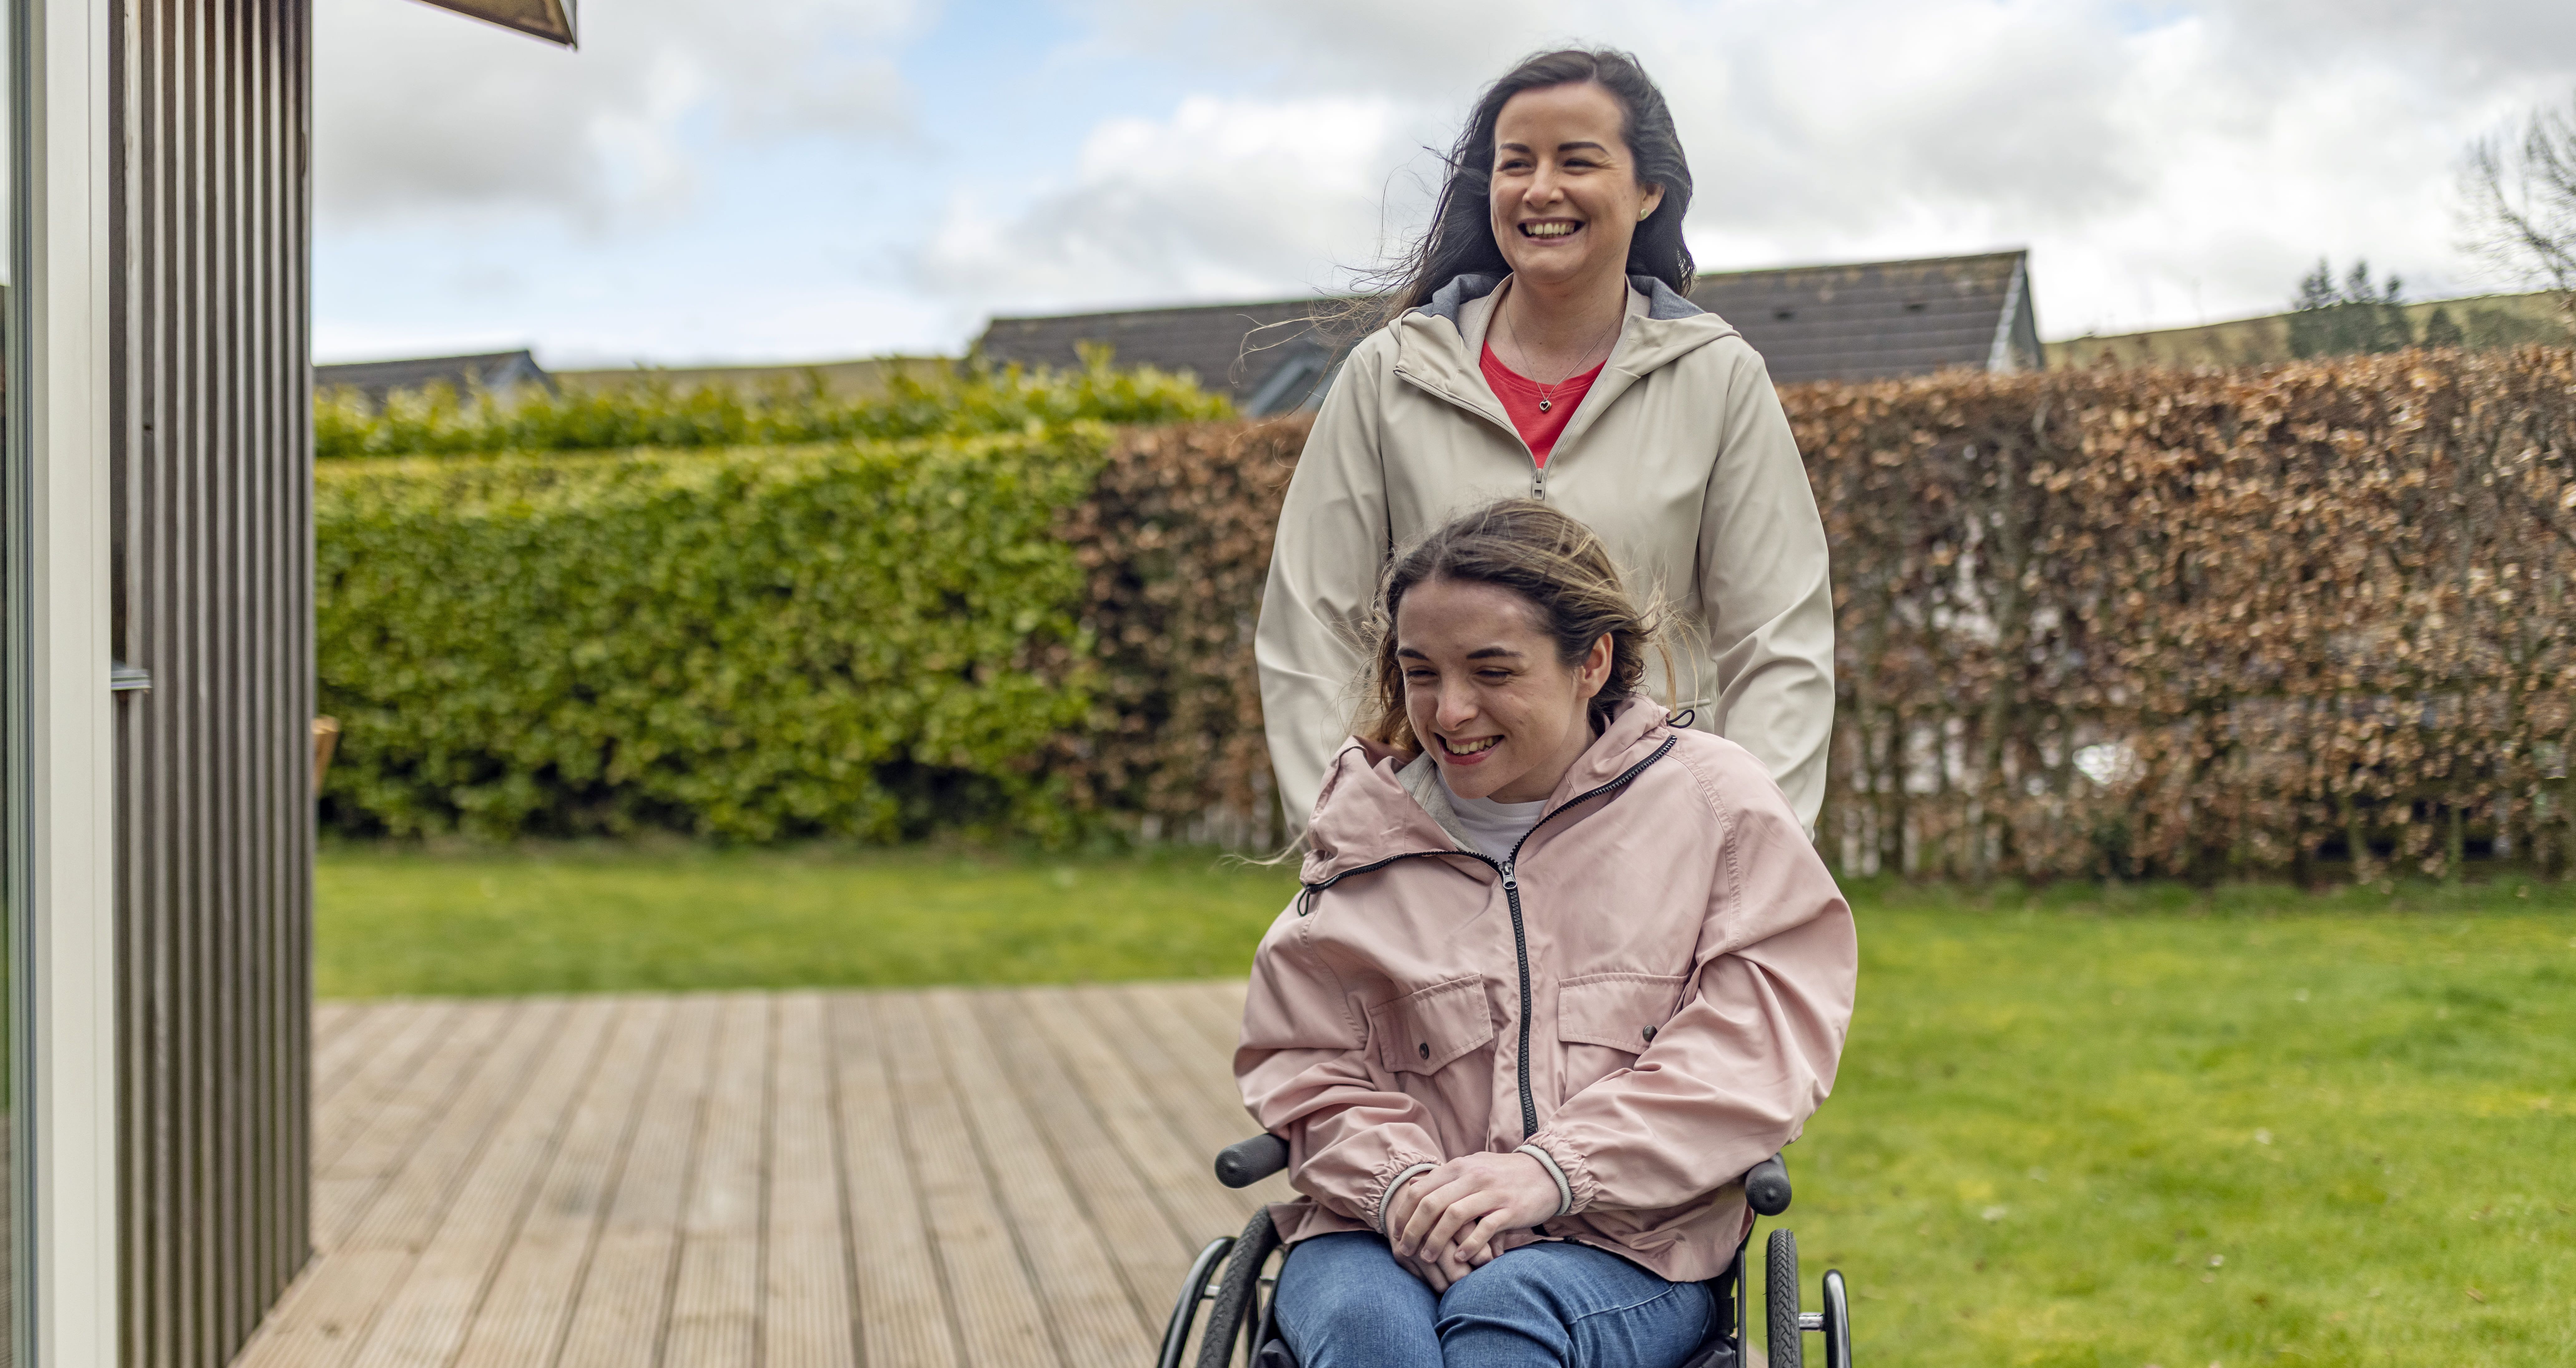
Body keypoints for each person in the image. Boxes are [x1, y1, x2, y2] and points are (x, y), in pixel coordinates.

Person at [1237, 501, 1856, 1368]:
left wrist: (1552, 1171)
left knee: (1506, 1313)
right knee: (1374, 1338)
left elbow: (1756, 1048)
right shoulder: (1366, 831)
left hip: (1625, 1243)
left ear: (1591, 662)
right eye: (1422, 673)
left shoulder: (1718, 810)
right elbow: (1308, 1065)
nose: (1449, 712)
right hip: (1374, 1232)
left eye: (1493, 670)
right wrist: (1406, 1190)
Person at [1255, 47, 1834, 841]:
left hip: (1656, 840)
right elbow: (1309, 626)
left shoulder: (1720, 377)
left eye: (1578, 161)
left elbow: (1781, 641)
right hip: (1434, 841)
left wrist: (1751, 854)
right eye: (1515, 163)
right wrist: (1346, 831)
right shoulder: (1388, 375)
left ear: (1649, 189)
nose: (1540, 190)